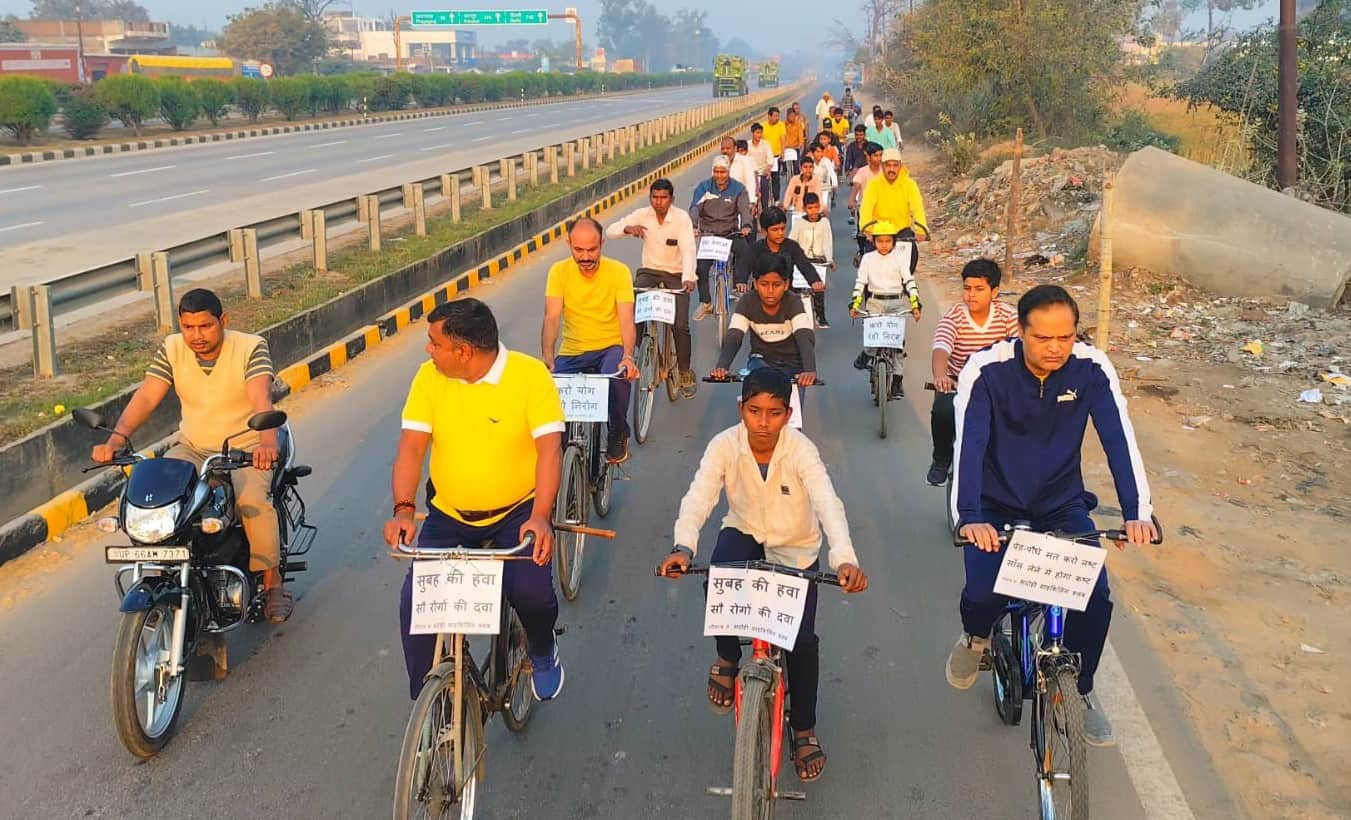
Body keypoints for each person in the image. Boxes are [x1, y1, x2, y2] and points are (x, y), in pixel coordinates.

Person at [946, 285, 1158, 747]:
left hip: (1061, 501)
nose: (1056, 348)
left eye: (1065, 337)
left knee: (1096, 596)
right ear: (1020, 331)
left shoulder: (1091, 367)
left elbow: (1118, 438)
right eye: (1043, 338)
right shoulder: (987, 369)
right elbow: (970, 443)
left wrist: (1137, 513)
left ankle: (1079, 692)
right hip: (994, 504)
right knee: (984, 592)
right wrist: (969, 515)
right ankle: (976, 639)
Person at [658, 366, 868, 782]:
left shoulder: (801, 450)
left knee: (802, 643)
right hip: (745, 532)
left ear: (788, 415)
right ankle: (727, 656)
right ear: (741, 409)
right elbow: (699, 496)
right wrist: (683, 546)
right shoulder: (724, 446)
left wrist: (844, 558)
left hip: (796, 548)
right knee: (717, 579)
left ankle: (803, 727)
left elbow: (828, 502)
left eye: (774, 413)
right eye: (754, 411)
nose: (763, 423)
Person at [385, 298, 566, 702]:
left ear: (463, 351)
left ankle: (541, 650)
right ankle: (434, 705)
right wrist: (403, 509)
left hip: (517, 514)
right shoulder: (428, 378)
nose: (427, 350)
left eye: (434, 343)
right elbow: (412, 448)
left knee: (532, 594)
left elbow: (550, 452)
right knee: (416, 606)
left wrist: (540, 517)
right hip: (449, 516)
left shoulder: (530, 376)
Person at [92, 288, 292, 624]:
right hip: (194, 445)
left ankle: (273, 583)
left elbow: (261, 400)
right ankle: (162, 574)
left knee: (252, 501)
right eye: (188, 327)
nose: (196, 336)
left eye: (205, 326)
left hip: (246, 446)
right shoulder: (172, 349)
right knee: (158, 493)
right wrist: (117, 438)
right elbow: (146, 397)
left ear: (222, 321)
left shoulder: (250, 347)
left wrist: (267, 443)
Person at [541, 217, 640, 463]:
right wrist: (548, 357)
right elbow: (552, 318)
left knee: (617, 377)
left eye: (592, 249)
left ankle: (618, 429)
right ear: (569, 244)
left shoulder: (619, 272)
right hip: (572, 351)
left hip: (611, 347)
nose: (585, 256)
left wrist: (628, 356)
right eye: (579, 250)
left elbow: (626, 319)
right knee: (550, 405)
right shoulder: (558, 272)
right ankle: (561, 477)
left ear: (602, 244)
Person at [927, 258, 1020, 486]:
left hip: (998, 386)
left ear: (994, 291)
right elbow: (941, 348)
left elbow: (1022, 347)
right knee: (942, 411)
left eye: (979, 289)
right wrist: (941, 376)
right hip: (958, 384)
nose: (971, 295)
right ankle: (941, 459)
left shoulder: (1008, 316)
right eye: (967, 288)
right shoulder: (954, 317)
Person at [606, 178, 699, 398]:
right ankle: (639, 353)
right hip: (649, 272)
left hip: (676, 274)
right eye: (655, 197)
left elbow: (688, 248)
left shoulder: (681, 219)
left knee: (680, 325)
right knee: (632, 311)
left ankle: (684, 371)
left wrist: (688, 277)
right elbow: (611, 230)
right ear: (650, 198)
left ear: (671, 199)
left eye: (663, 197)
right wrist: (628, 228)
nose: (658, 202)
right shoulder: (642, 214)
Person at [713, 252, 818, 386]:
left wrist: (809, 370)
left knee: (791, 404)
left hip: (793, 366)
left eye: (776, 285)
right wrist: (722, 366)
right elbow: (734, 336)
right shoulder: (748, 302)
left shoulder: (793, 302)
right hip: (760, 362)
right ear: (755, 284)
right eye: (764, 284)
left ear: (786, 285)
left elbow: (805, 336)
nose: (770, 291)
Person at [849, 221, 921, 399]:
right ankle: (867, 354)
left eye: (888, 241)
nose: (884, 245)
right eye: (880, 241)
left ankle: (897, 381)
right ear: (873, 241)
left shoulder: (900, 259)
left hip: (897, 303)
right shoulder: (868, 259)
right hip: (875, 302)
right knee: (872, 339)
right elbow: (861, 282)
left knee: (898, 346)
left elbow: (909, 281)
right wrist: (855, 303)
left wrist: (915, 303)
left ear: (894, 241)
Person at [690, 155, 754, 319]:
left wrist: (746, 225)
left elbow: (744, 210)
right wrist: (694, 225)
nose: (719, 176)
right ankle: (706, 302)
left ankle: (739, 283)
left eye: (723, 172)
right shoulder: (704, 188)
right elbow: (695, 208)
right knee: (701, 268)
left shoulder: (738, 189)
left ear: (728, 172)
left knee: (744, 249)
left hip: (729, 233)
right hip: (709, 235)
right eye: (716, 172)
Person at [859, 147, 928, 241]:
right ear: (882, 166)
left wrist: (921, 230)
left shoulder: (910, 185)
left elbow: (917, 208)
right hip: (879, 232)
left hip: (902, 232)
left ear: (900, 166)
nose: (891, 169)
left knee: (913, 253)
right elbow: (866, 208)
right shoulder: (873, 185)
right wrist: (867, 230)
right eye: (888, 165)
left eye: (895, 165)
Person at [790, 192, 834, 328]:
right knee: (797, 289)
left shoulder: (824, 222)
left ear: (819, 207)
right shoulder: (799, 223)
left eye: (815, 207)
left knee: (819, 292)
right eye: (810, 208)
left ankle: (821, 316)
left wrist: (829, 259)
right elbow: (792, 240)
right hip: (803, 261)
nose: (813, 211)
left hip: (819, 260)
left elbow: (828, 241)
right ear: (804, 209)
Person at [848, 142, 884, 263]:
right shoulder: (862, 172)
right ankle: (862, 252)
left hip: (883, 209)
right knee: (862, 235)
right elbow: (856, 186)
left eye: (880, 155)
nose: (878, 159)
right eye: (875, 156)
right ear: (868, 157)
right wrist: (851, 199)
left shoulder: (885, 171)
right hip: (865, 209)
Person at [721, 136, 759, 215]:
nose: (725, 151)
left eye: (728, 148)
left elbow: (750, 182)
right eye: (723, 149)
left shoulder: (745, 161)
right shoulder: (718, 163)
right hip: (724, 206)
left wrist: (752, 202)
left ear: (735, 149)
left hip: (742, 203)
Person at [746, 123, 775, 208]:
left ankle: (765, 210)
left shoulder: (766, 144)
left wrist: (768, 169)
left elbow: (770, 158)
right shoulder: (747, 145)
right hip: (751, 175)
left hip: (762, 173)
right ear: (752, 133)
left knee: (765, 196)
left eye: (760, 133)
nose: (759, 135)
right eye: (757, 133)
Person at [762, 106, 788, 200]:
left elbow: (783, 138)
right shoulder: (763, 126)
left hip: (776, 156)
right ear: (769, 116)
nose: (777, 118)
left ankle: (776, 199)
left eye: (778, 116)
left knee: (776, 178)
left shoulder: (781, 125)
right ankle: (765, 198)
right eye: (775, 116)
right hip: (765, 158)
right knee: (764, 179)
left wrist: (782, 151)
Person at [809, 142, 840, 212]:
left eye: (821, 152)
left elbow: (832, 173)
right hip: (812, 188)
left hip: (825, 188)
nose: (820, 154)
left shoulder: (826, 161)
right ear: (812, 152)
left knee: (824, 207)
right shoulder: (809, 161)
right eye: (817, 152)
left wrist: (835, 185)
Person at [783, 108, 807, 178]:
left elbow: (800, 135)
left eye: (793, 116)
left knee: (796, 166)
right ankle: (785, 171)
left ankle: (797, 179)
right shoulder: (783, 125)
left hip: (795, 147)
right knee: (782, 162)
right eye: (790, 116)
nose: (792, 118)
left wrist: (800, 144)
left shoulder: (798, 124)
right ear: (787, 116)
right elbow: (781, 136)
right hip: (786, 148)